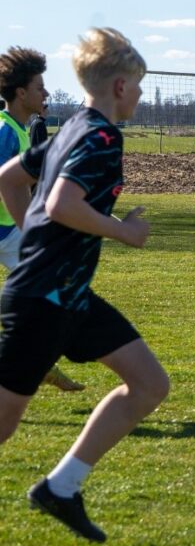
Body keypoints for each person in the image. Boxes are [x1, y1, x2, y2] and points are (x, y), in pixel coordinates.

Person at [0, 27, 169, 543]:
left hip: (68, 295)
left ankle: (62, 487)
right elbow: (61, 204)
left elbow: (8, 180)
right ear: (120, 86)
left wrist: (34, 239)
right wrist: (125, 232)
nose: (141, 93)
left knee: (149, 384)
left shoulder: (71, 126)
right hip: (41, 302)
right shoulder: (99, 138)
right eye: (138, 83)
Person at [0, 46, 84, 394]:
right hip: (8, 232)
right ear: (21, 93)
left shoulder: (18, 129)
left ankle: (38, 359)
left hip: (8, 233)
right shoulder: (6, 131)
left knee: (49, 293)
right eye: (39, 87)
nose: (46, 93)